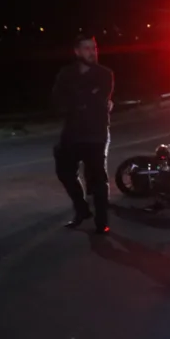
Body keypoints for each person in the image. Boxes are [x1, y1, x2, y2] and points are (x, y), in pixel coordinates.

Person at [52, 34, 115, 234]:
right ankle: (81, 210)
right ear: (77, 51)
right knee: (64, 171)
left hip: (96, 133)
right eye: (87, 48)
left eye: (93, 48)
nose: (91, 52)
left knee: (98, 178)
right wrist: (84, 98)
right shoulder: (66, 73)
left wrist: (78, 99)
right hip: (72, 132)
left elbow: (99, 98)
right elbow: (58, 100)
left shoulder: (105, 74)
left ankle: (102, 221)